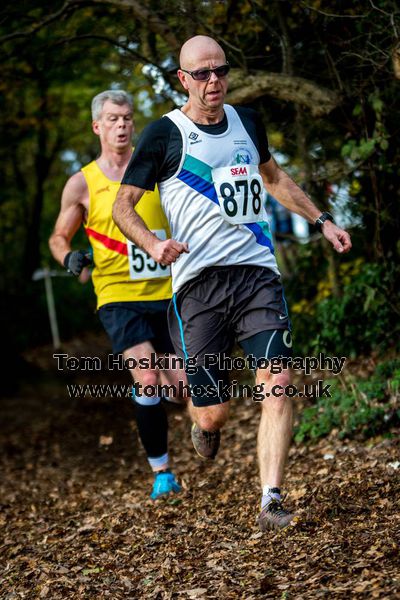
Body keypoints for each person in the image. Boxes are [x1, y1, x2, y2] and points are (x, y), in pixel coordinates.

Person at [112, 36, 352, 531]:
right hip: (198, 287)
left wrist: (323, 218)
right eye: (201, 73)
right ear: (183, 79)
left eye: (220, 70)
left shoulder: (247, 122)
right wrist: (154, 246)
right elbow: (122, 206)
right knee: (212, 415)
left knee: (279, 383)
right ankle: (205, 426)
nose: (213, 80)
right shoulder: (164, 134)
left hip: (256, 275)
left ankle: (271, 499)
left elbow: (274, 176)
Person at [49, 90, 187, 500]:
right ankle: (162, 472)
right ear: (97, 126)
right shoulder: (82, 184)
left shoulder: (157, 171)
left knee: (180, 390)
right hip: (116, 294)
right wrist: (69, 258)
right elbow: (58, 236)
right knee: (146, 375)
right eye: (112, 119)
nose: (122, 125)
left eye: (127, 118)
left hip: (167, 291)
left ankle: (163, 390)